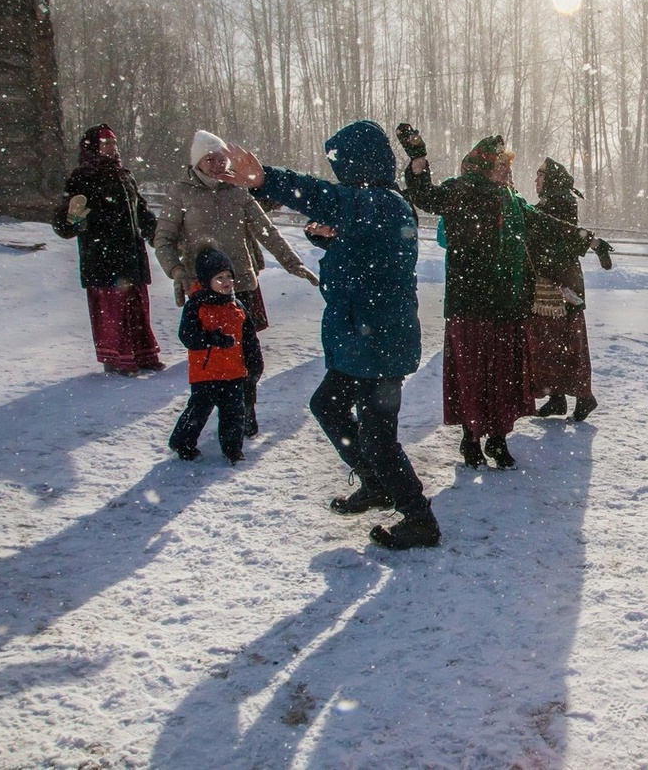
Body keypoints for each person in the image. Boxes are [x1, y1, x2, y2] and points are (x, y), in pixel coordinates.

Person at [218, 120, 440, 550]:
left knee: (378, 436)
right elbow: (366, 257)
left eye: (341, 162)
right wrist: (331, 242)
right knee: (328, 406)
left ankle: (419, 518)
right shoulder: (374, 205)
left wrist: (267, 180)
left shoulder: (383, 203)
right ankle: (376, 485)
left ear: (361, 162)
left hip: (377, 342)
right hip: (359, 339)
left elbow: (327, 198)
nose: (337, 170)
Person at [397, 126, 611, 470]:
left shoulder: (512, 201)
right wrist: (418, 159)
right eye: (501, 165)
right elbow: (425, 197)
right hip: (470, 305)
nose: (508, 172)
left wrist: (588, 238)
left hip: (507, 305)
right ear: (483, 165)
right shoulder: (461, 191)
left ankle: (497, 439)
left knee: (503, 376)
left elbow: (545, 223)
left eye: (508, 166)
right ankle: (471, 439)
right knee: (473, 374)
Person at [154, 130, 320, 436]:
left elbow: (266, 230)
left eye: (221, 158)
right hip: (202, 288)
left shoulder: (238, 191)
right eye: (210, 159)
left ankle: (245, 412)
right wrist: (176, 271)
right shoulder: (181, 193)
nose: (217, 164)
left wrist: (292, 262)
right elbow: (163, 240)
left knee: (249, 359)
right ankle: (200, 418)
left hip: (241, 283)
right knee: (212, 359)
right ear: (197, 163)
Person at [52, 124, 163, 376]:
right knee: (113, 310)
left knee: (137, 306)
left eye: (114, 143)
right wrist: (72, 217)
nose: (112, 148)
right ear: (92, 147)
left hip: (131, 253)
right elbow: (65, 221)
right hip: (103, 256)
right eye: (106, 144)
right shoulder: (82, 176)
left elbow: (141, 212)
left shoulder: (125, 175)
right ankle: (118, 359)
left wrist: (156, 234)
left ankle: (144, 355)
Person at [169, 246, 263, 465]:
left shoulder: (237, 306)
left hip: (234, 372)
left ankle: (233, 450)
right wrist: (210, 338)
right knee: (198, 411)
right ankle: (182, 442)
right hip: (206, 373)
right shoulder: (196, 305)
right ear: (205, 280)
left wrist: (255, 362)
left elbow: (249, 338)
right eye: (219, 278)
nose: (226, 282)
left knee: (234, 414)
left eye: (229, 276)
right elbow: (187, 336)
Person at [527, 157, 599, 422]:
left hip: (561, 286)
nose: (537, 180)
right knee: (550, 343)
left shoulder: (559, 201)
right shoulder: (552, 202)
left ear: (552, 178)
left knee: (568, 343)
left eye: (540, 175)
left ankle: (583, 396)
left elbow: (557, 236)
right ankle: (557, 397)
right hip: (552, 283)